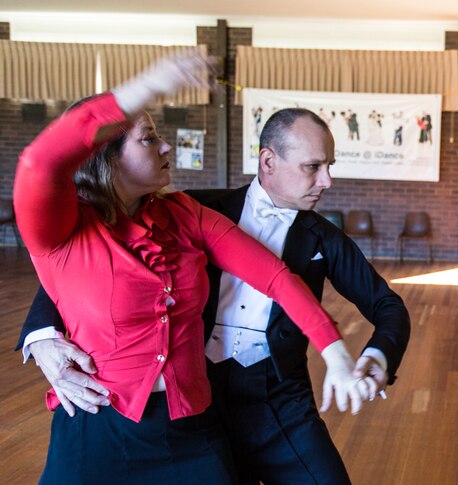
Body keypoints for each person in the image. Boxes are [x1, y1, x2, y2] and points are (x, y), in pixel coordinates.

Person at [13, 52, 375, 484]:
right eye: (149, 139)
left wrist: (334, 354)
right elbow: (40, 161)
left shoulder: (186, 214)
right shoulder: (59, 228)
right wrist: (148, 84)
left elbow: (276, 279)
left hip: (189, 433)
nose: (167, 145)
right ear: (105, 157)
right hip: (98, 431)